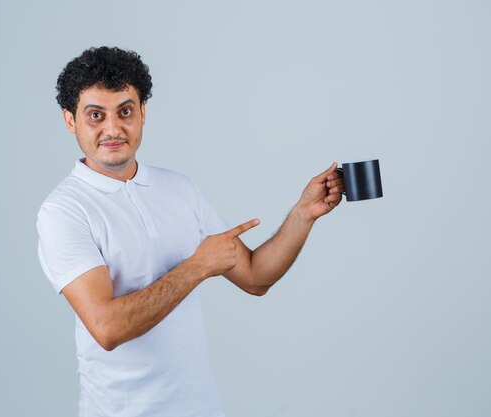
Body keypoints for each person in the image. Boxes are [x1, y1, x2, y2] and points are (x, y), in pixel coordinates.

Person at [36, 46, 344, 417]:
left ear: (143, 113)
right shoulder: (64, 211)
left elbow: (255, 277)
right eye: (95, 115)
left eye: (125, 111)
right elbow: (107, 328)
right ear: (70, 121)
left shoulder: (179, 189)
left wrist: (303, 214)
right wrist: (197, 267)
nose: (113, 128)